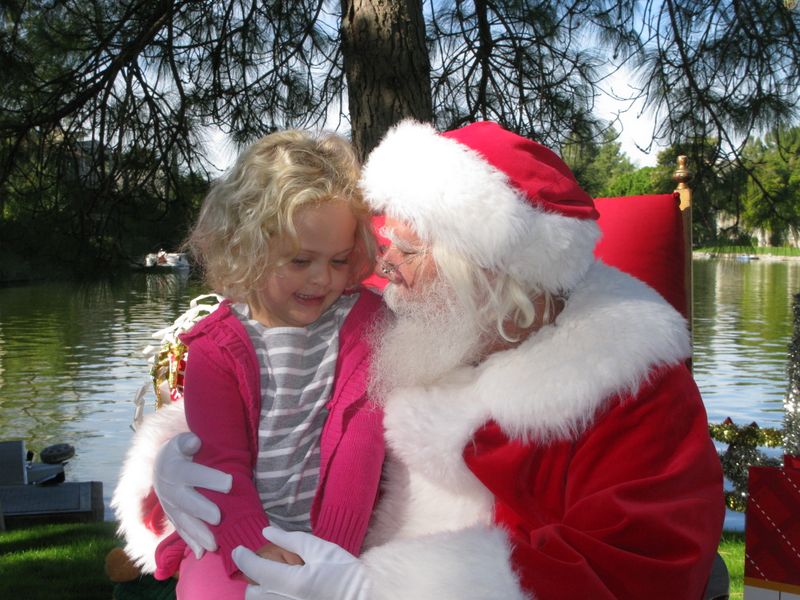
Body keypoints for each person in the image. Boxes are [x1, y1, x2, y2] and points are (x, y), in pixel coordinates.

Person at [131, 120, 726, 599]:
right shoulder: (423, 326)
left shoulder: (629, 384)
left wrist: (376, 590)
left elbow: (640, 566)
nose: (382, 268)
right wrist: (173, 468)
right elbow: (279, 405)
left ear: (487, 274)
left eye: (408, 251)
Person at [112, 130, 385, 599]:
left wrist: (330, 554)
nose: (323, 278)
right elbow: (221, 466)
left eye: (339, 260)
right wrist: (254, 547)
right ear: (248, 248)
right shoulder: (215, 349)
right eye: (301, 260)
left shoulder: (365, 324)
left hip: (344, 540)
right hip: (240, 527)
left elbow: (363, 441)